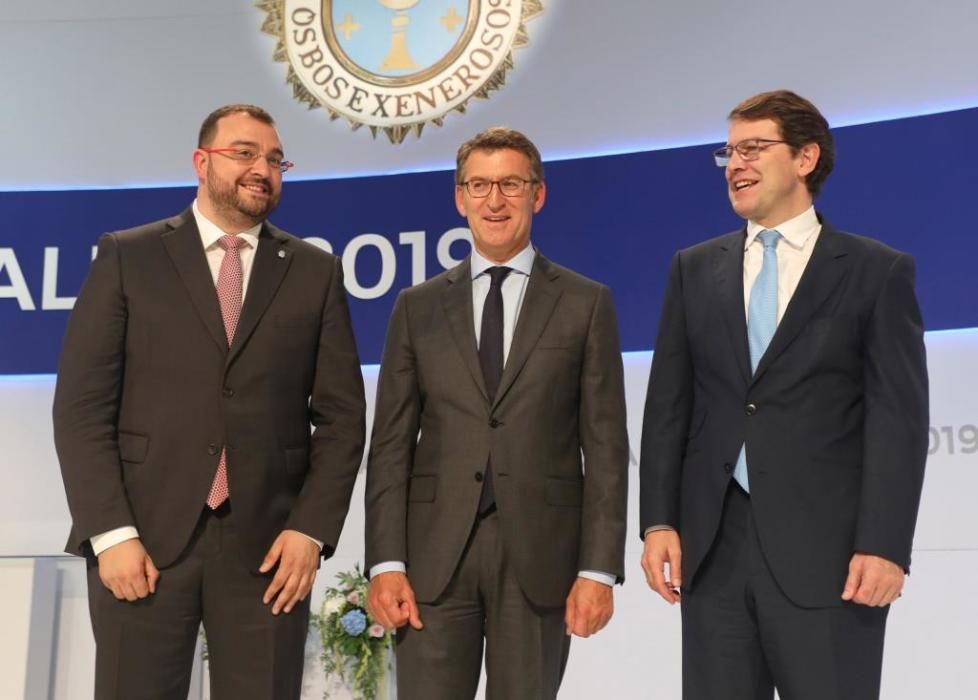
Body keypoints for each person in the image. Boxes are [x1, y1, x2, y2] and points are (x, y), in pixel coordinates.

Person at [53, 104, 366, 699]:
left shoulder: (314, 271)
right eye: (244, 153)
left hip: (269, 553)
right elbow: (82, 407)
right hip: (141, 543)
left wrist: (311, 529)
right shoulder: (128, 255)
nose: (263, 169)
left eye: (275, 159)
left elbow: (343, 418)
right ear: (202, 162)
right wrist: (109, 533)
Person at [639, 89, 929, 699]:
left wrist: (885, 545)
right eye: (728, 152)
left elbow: (897, 421)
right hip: (714, 552)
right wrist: (658, 520)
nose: (736, 164)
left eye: (753, 148)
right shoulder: (692, 269)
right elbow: (669, 407)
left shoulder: (876, 271)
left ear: (805, 158)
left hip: (829, 559)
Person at [364, 126, 628, 699]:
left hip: (542, 559)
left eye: (510, 183)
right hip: (433, 559)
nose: (494, 200)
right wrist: (384, 562)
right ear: (459, 198)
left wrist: (598, 570)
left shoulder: (586, 303)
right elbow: (388, 446)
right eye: (479, 185)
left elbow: (606, 447)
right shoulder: (417, 307)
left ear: (538, 193)